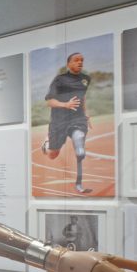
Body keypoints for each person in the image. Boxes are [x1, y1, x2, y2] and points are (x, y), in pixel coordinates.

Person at [42, 52, 93, 193]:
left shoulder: (86, 79)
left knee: (79, 146)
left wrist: (86, 113)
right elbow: (49, 101)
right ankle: (47, 143)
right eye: (76, 60)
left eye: (82, 60)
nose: (80, 62)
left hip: (77, 118)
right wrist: (66, 105)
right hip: (59, 120)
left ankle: (79, 184)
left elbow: (82, 98)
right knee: (53, 154)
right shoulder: (60, 80)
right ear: (68, 64)